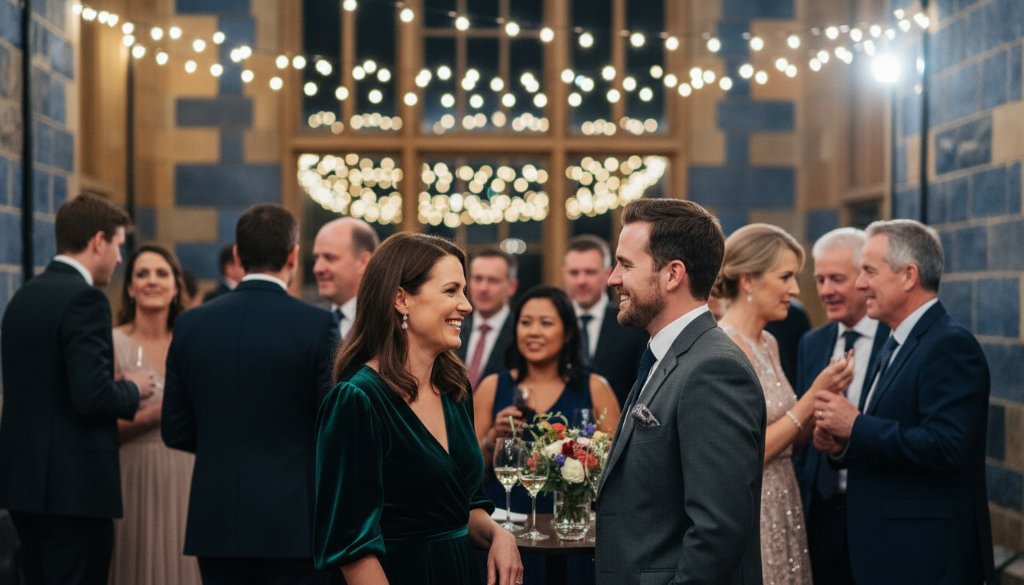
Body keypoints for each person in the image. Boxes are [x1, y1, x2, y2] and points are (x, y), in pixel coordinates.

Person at [313, 232, 523, 585]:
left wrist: (499, 535)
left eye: (464, 291)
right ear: (401, 299)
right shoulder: (358, 399)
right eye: (451, 291)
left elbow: (463, 506)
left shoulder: (455, 390)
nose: (467, 305)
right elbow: (351, 547)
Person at [814, 219, 995, 584]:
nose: (860, 283)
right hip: (887, 549)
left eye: (869, 271)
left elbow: (948, 446)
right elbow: (893, 432)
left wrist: (856, 425)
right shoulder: (898, 340)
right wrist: (842, 444)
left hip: (925, 556)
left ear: (909, 275)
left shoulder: (949, 344)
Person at [162, 204, 336, 585]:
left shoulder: (190, 324)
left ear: (238, 256)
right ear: (293, 256)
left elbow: (174, 430)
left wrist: (221, 443)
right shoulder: (317, 324)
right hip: (291, 521)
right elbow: (329, 424)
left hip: (216, 519)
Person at [595, 198, 765, 585]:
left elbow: (717, 530)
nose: (613, 279)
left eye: (625, 265)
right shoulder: (668, 354)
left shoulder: (713, 370)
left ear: (673, 274)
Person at [0, 193, 156, 585]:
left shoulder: (23, 296)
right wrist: (133, 389)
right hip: (74, 489)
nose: (120, 259)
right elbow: (92, 397)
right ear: (98, 241)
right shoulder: (85, 299)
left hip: (24, 486)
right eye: (118, 246)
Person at [713, 223, 854, 584]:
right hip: (751, 506)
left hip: (785, 498)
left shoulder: (770, 343)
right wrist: (812, 397)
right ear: (748, 280)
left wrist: (825, 412)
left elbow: (788, 438)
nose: (795, 289)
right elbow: (745, 454)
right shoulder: (724, 349)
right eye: (786, 277)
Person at [475, 285, 621, 585]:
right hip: (506, 533)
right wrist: (492, 438)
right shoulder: (492, 387)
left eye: (546, 323)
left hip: (573, 537)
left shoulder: (595, 388)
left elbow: (617, 469)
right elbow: (466, 472)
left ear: (567, 332)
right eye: (526, 322)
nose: (533, 332)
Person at [792, 228, 889, 585]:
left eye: (837, 279)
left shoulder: (893, 340)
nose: (825, 290)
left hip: (878, 510)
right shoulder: (812, 343)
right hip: (819, 513)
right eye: (820, 280)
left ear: (864, 279)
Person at [109, 244, 200, 585]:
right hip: (131, 471)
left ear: (176, 287)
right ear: (130, 288)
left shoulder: (190, 342)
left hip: (185, 471)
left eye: (161, 273)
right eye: (142, 274)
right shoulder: (112, 342)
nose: (152, 281)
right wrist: (158, 413)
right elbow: (98, 419)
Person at [562, 235, 648, 407]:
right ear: (564, 274)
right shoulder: (554, 325)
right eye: (574, 273)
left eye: (590, 272)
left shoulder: (633, 324)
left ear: (608, 274)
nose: (581, 281)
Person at [458, 249, 518, 390]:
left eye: (493, 280)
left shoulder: (520, 333)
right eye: (478, 279)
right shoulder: (454, 328)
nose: (483, 288)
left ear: (512, 286)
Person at [312, 217, 379, 339]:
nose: (317, 268)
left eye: (329, 258)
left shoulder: (387, 322)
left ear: (363, 262)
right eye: (316, 258)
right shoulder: (311, 322)